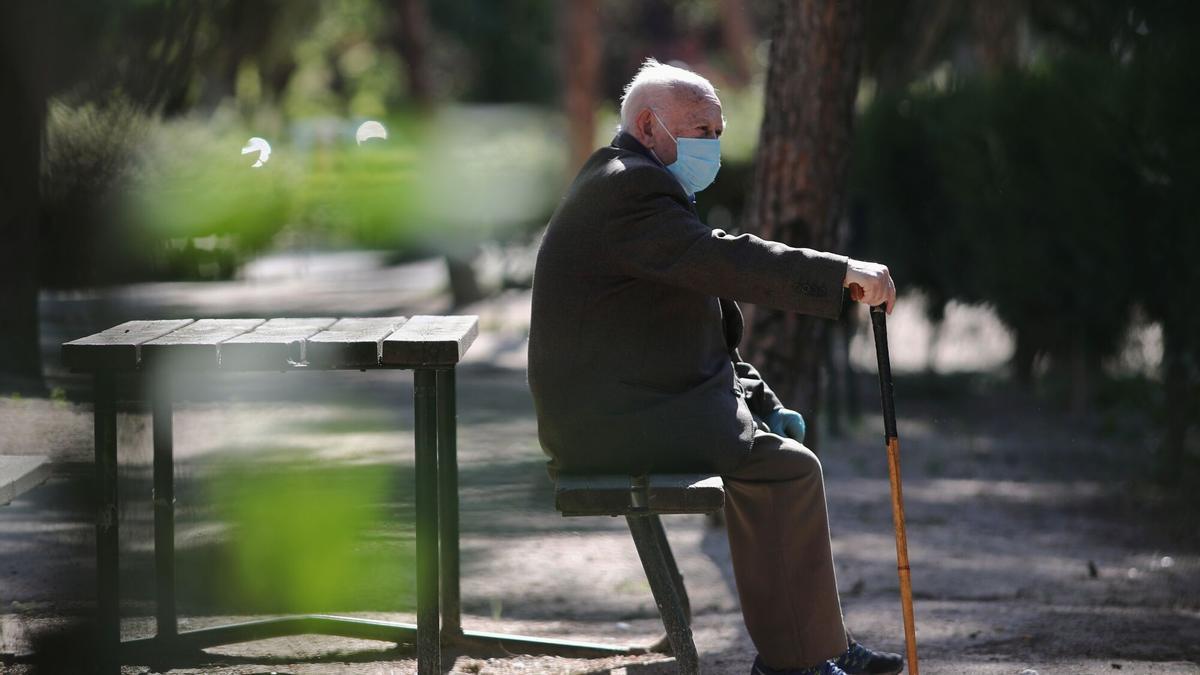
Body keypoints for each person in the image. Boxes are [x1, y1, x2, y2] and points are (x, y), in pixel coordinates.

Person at [527, 58, 902, 675]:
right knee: (788, 470)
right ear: (650, 126)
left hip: (621, 407)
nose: (716, 146)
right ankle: (801, 660)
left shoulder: (630, 178)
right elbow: (728, 262)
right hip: (610, 422)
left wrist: (755, 394)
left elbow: (691, 323)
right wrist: (840, 275)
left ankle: (812, 651)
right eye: (702, 131)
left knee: (776, 459)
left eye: (719, 130)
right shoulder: (630, 189)